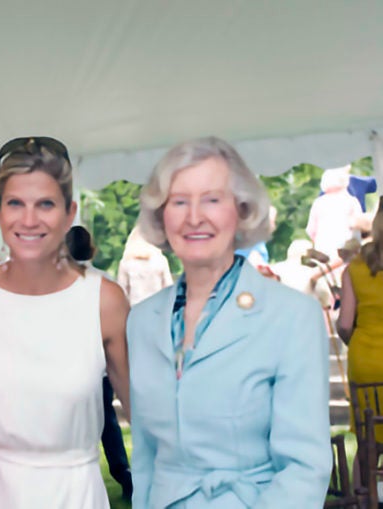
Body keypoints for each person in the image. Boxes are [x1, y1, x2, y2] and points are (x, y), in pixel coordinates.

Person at [128, 136, 331, 508]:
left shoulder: (292, 316)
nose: (194, 217)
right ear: (161, 215)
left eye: (212, 199)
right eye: (179, 201)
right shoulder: (142, 322)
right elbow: (144, 461)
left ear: (241, 210)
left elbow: (305, 468)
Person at [0, 137, 130, 509]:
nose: (29, 220)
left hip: (73, 492)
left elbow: (146, 416)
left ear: (69, 211)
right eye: (16, 203)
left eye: (45, 203)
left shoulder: (102, 300)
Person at [65, 225, 133, 500]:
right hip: (102, 365)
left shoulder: (58, 284)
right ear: (91, 249)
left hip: (70, 365)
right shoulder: (105, 281)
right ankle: (123, 474)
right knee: (107, 424)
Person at [337, 197, 383, 443]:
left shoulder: (354, 268)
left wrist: (354, 341)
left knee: (367, 438)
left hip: (364, 359)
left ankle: (362, 482)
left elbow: (344, 325)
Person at [306, 167, 362, 261]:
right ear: (344, 181)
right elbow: (359, 228)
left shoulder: (318, 203)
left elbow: (311, 230)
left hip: (323, 251)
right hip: (346, 252)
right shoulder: (352, 201)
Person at [117, 226, 173, 306]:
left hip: (135, 309)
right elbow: (168, 288)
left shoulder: (126, 263)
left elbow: (122, 292)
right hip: (157, 308)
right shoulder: (160, 261)